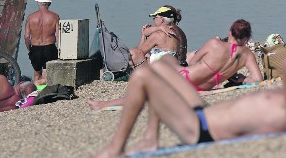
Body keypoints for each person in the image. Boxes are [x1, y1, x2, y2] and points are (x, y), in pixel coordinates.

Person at [93, 50, 286, 158]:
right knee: (159, 65)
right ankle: (151, 138)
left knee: (142, 76)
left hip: (199, 130)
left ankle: (116, 148)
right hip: (204, 113)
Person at [88, 19, 263, 110]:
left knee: (154, 84)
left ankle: (104, 104)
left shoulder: (215, 44)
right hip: (200, 87)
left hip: (184, 77)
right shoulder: (247, 54)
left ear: (229, 32)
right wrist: (239, 78)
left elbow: (191, 62)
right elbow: (257, 79)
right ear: (247, 38)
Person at [24, 0, 60, 86]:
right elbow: (57, 35)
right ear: (49, 3)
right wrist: (60, 49)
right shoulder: (55, 17)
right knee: (46, 73)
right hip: (50, 47)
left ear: (37, 3)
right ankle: (40, 88)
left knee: (36, 72)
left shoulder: (30, 17)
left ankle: (34, 90)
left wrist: (30, 49)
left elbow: (27, 36)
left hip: (35, 48)